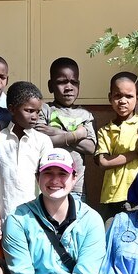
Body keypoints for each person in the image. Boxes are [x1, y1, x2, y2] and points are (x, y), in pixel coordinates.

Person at [5, 149, 107, 274]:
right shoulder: (18, 219)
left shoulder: (91, 220)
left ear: (74, 178)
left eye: (62, 174)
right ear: (38, 177)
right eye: (48, 173)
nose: (55, 181)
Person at [96, 71, 138, 216]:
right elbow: (104, 163)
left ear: (137, 99)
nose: (123, 101)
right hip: (112, 196)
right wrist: (137, 154)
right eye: (118, 96)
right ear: (110, 97)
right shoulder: (105, 130)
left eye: (129, 96)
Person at [0, 80, 51, 213]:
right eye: (29, 111)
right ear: (11, 109)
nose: (35, 117)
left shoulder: (42, 141)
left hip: (36, 215)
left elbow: (48, 179)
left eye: (38, 112)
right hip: (6, 214)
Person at [42, 57, 97, 190]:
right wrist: (78, 134)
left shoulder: (86, 115)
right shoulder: (44, 110)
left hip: (76, 187)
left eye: (74, 82)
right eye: (62, 82)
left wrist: (57, 132)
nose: (69, 87)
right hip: (49, 185)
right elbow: (42, 140)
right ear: (50, 86)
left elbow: (90, 148)